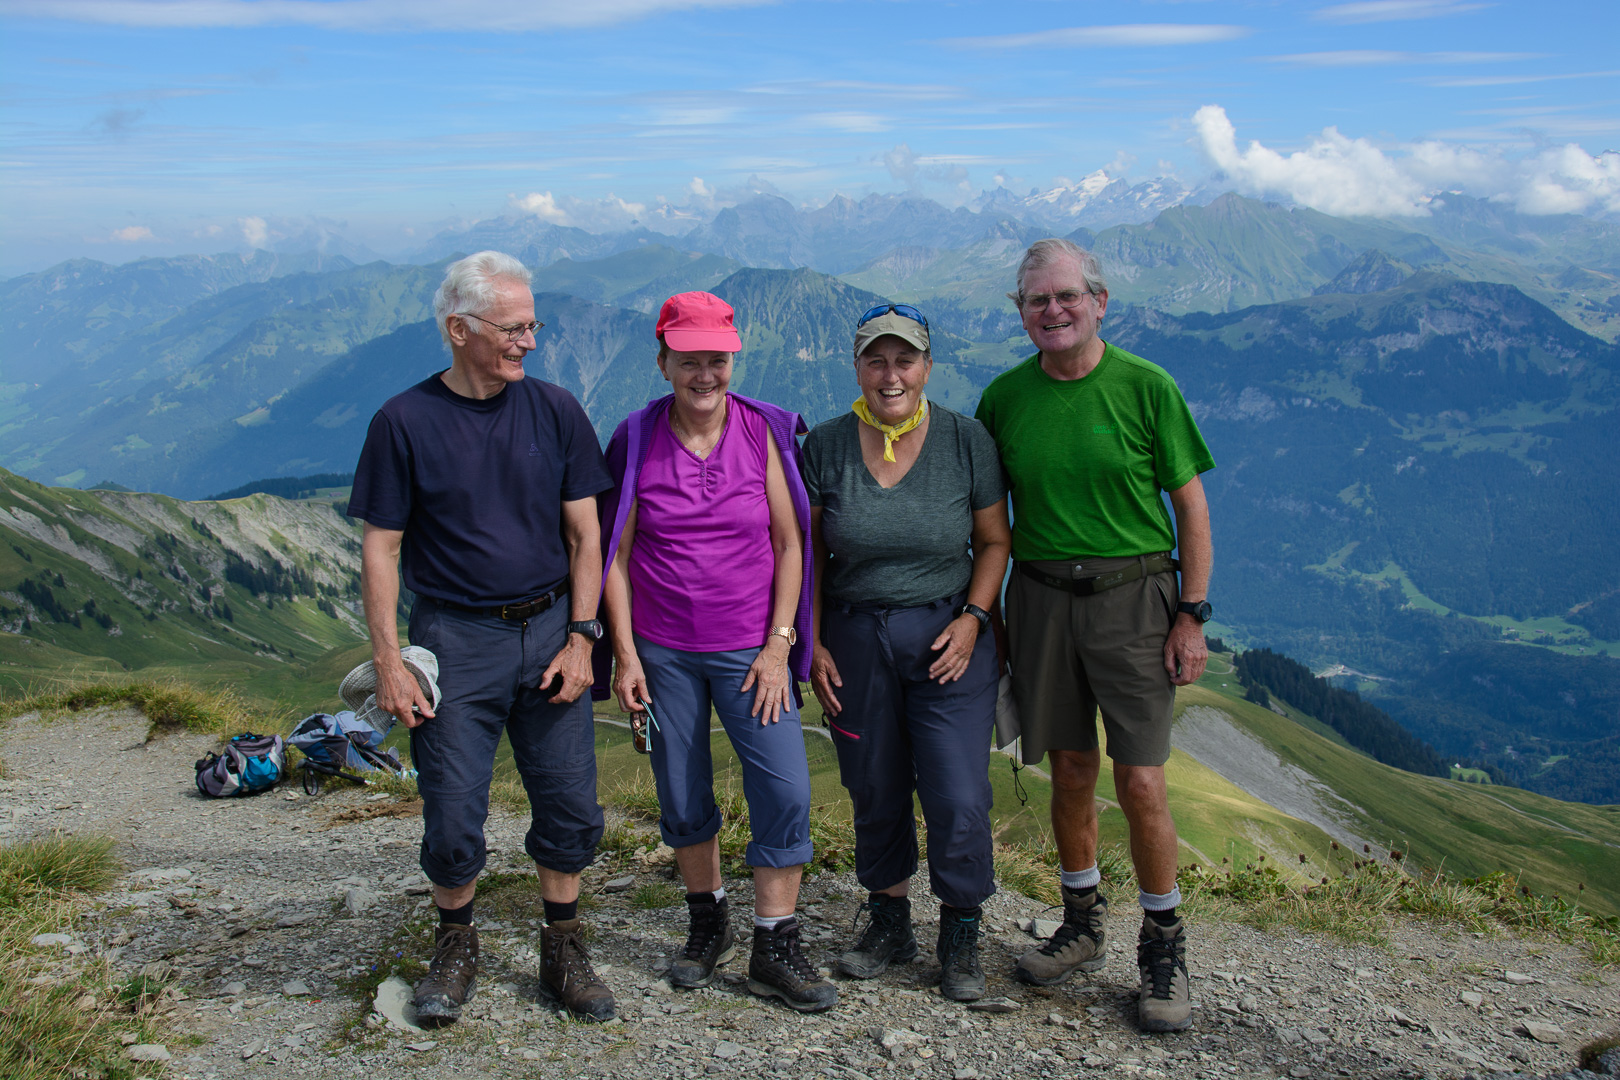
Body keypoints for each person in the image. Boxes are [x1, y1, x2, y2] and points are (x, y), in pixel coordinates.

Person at [349, 251, 617, 1026]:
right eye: (513, 328)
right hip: (455, 637)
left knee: (569, 800)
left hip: (553, 628)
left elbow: (586, 536)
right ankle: (456, 943)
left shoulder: (556, 410)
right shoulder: (403, 421)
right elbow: (381, 548)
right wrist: (388, 661)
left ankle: (562, 946)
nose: (529, 341)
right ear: (459, 329)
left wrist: (583, 638)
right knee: (452, 806)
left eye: (533, 325)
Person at [974, 238, 1215, 1033]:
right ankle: (1081, 925)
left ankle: (1164, 947)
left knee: (1141, 780)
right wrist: (990, 613)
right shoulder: (1005, 399)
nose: (1053, 310)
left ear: (1100, 302)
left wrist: (1192, 613)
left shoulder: (1147, 386)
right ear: (1021, 313)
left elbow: (1190, 506)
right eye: (1036, 300)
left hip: (1134, 597)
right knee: (1071, 768)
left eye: (1067, 296)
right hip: (1041, 597)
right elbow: (988, 518)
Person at [596, 291, 836, 1012]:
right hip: (662, 650)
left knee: (785, 790)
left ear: (733, 359)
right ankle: (708, 922)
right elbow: (615, 553)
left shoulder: (763, 431)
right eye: (690, 360)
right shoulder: (636, 436)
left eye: (718, 360)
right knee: (680, 790)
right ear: (664, 362)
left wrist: (780, 645)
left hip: (751, 650)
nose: (705, 374)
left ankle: (774, 941)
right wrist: (626, 654)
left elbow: (791, 542)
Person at [802, 304, 1012, 1001]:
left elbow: (995, 541)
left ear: (926, 366)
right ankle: (889, 921)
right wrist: (813, 641)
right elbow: (808, 555)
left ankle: (961, 930)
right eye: (876, 360)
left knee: (959, 792)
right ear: (857, 366)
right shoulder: (826, 445)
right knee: (873, 782)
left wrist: (975, 618)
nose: (891, 375)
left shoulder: (965, 440)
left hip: (948, 637)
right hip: (854, 638)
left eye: (905, 360)